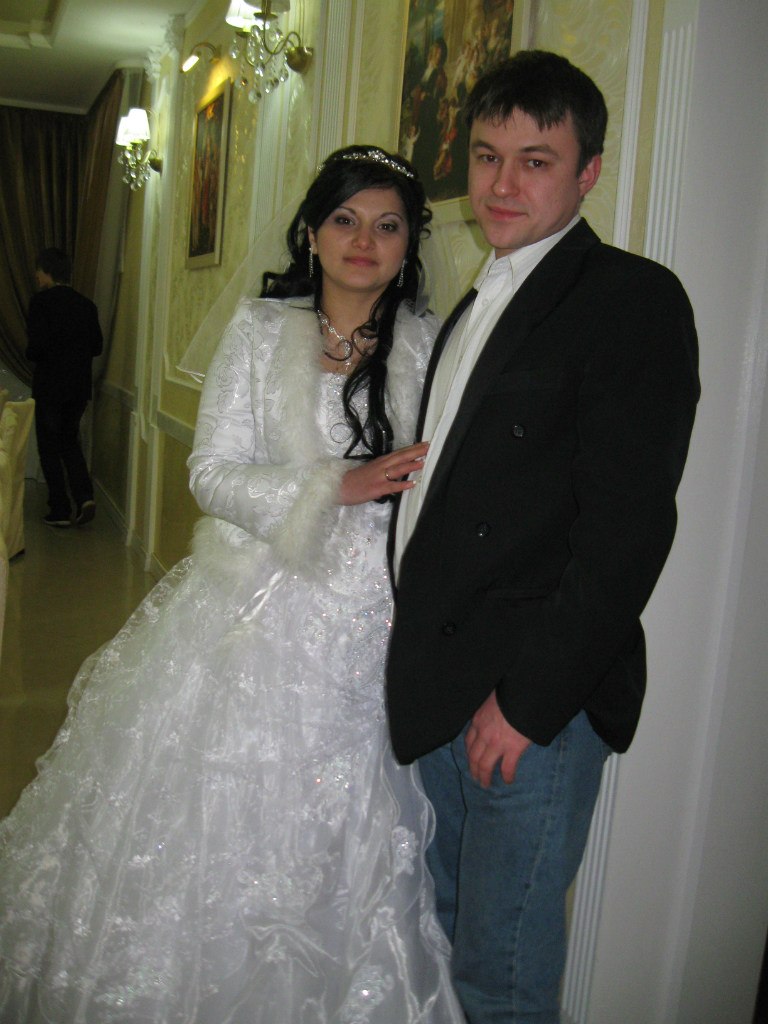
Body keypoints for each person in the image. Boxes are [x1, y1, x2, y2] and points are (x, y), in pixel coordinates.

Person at [0, 146, 464, 1024]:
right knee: (226, 819)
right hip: (256, 610)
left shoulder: (431, 345)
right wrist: (335, 486)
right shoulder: (259, 331)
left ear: (411, 243)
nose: (364, 241)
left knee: (350, 833)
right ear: (311, 232)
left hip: (377, 627)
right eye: (344, 220)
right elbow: (209, 474)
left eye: (388, 225)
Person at [386, 51, 700, 1023]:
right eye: (487, 156)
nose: (502, 184)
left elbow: (628, 531)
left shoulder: (632, 299)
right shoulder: (478, 300)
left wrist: (524, 707)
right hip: (445, 690)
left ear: (588, 172)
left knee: (502, 980)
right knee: (442, 946)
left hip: (531, 711)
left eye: (536, 161)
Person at [26, 248, 103, 527]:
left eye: (39, 270)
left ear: (47, 271)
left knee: (48, 446)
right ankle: (84, 496)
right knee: (69, 441)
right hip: (78, 387)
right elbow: (97, 346)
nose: (37, 276)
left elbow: (36, 348)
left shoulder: (40, 303)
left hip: (49, 386)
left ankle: (59, 508)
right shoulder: (86, 305)